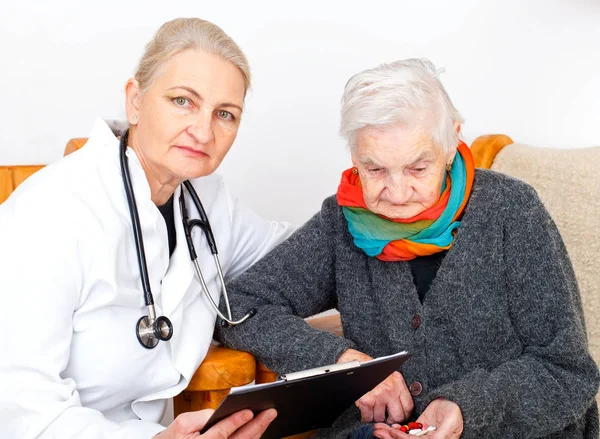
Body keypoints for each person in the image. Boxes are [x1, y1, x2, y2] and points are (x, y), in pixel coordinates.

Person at [215, 58, 600, 438]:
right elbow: (238, 308)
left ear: (451, 143)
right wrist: (344, 366)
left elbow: (565, 371)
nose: (397, 194)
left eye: (418, 168)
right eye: (375, 169)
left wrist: (466, 409)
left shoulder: (511, 211)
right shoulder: (342, 221)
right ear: (354, 157)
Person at [0, 18, 294, 438]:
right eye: (182, 101)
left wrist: (373, 202)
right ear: (135, 100)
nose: (203, 130)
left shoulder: (208, 199)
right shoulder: (48, 213)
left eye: (225, 114)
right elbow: (17, 403)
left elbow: (297, 259)